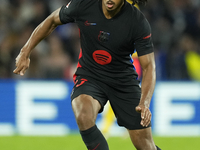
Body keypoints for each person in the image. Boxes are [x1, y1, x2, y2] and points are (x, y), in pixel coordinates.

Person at [13, 0, 161, 149]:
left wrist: (145, 102)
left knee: (145, 145)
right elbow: (52, 20)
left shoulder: (137, 21)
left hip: (123, 81)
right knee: (83, 114)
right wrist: (25, 51)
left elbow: (149, 67)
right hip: (90, 75)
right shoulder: (84, 4)